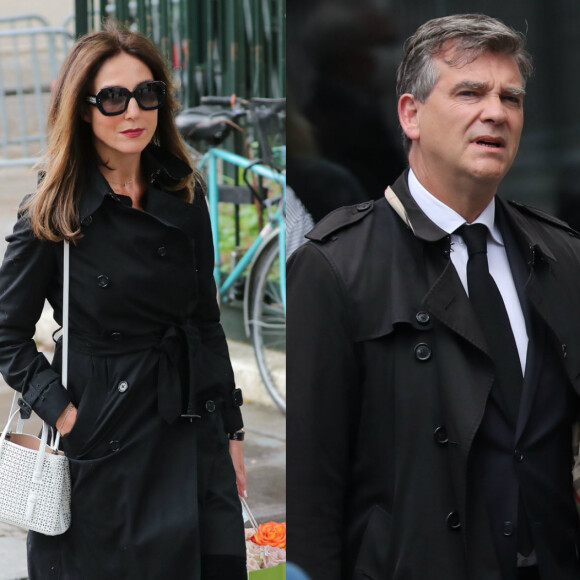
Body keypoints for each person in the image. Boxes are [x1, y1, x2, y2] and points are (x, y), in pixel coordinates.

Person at [287, 13, 580, 580]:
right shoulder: (334, 267)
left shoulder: (563, 255)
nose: (495, 111)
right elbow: (312, 496)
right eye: (470, 91)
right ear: (411, 114)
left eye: (510, 98)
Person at [0, 23, 247, 580]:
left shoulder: (184, 191)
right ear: (82, 109)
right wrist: (66, 416)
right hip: (105, 430)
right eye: (112, 97)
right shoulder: (53, 208)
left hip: (191, 424)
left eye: (147, 93)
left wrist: (230, 431)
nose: (132, 111)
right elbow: (5, 333)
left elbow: (205, 319)